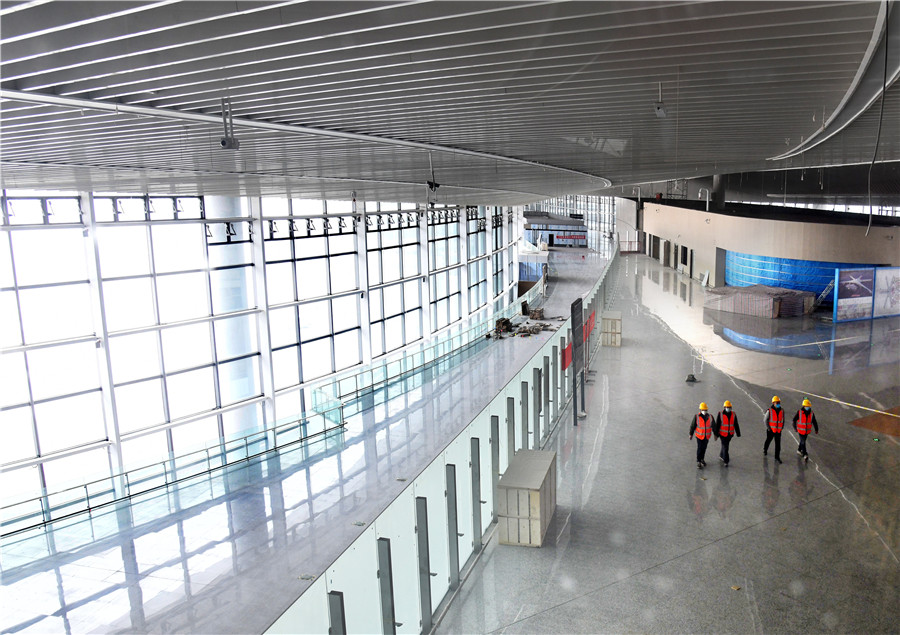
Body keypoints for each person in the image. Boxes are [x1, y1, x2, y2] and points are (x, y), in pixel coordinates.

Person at [713, 400, 741, 466]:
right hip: (722, 434)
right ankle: (726, 461)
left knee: (725, 445)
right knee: (726, 447)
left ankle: (721, 455)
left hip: (730, 434)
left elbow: (736, 424)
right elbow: (717, 424)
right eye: (727, 407)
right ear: (724, 407)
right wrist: (716, 434)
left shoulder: (733, 414)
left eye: (729, 407)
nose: (728, 408)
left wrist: (738, 433)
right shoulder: (720, 414)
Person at [689, 402, 713, 469]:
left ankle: (702, 459)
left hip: (706, 437)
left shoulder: (710, 417)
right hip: (699, 436)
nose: (704, 411)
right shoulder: (696, 417)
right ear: (700, 410)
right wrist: (691, 434)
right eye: (703, 410)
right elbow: (693, 426)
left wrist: (716, 434)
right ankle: (699, 461)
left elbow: (713, 425)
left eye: (705, 410)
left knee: (704, 448)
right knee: (700, 448)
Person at [763, 395, 784, 463]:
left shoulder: (782, 410)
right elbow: (765, 420)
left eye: (778, 402)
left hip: (778, 431)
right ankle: (765, 449)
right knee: (768, 440)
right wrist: (769, 428)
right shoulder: (769, 411)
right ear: (773, 403)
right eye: (776, 402)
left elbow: (783, 420)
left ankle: (777, 457)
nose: (778, 404)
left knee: (778, 445)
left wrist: (781, 427)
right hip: (771, 430)